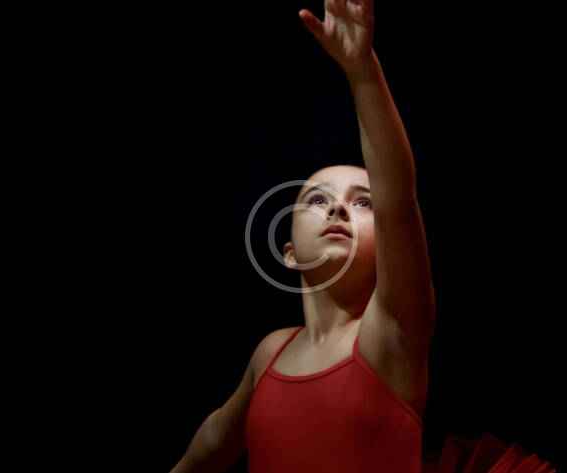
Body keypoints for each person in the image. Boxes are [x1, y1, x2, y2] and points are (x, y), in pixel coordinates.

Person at [172, 1, 436, 471]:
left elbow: (399, 200)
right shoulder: (270, 353)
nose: (337, 208)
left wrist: (363, 73)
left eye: (363, 202)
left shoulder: (391, 334)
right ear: (290, 253)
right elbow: (212, 443)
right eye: (317, 199)